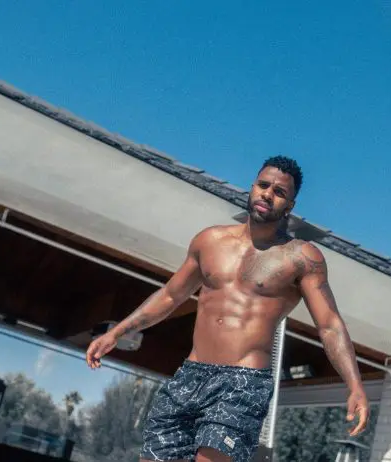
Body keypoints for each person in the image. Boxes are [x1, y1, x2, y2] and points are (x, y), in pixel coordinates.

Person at [85, 156, 369, 462]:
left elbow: (329, 325)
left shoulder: (301, 258)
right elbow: (170, 296)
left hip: (242, 383)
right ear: (252, 187)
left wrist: (354, 385)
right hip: (190, 375)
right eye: (263, 185)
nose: (267, 194)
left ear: (290, 205)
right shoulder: (209, 241)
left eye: (279, 192)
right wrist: (116, 332)